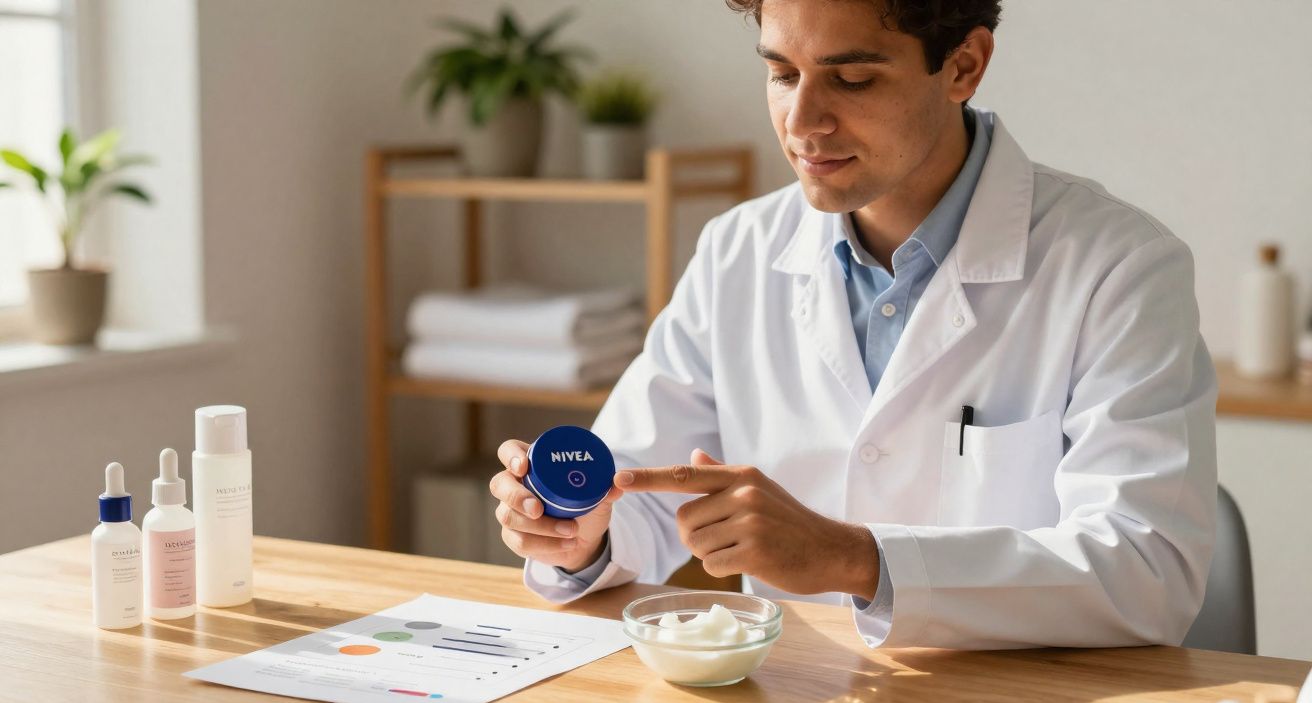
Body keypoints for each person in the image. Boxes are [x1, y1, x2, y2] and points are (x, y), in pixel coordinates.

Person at [487, 0, 1217, 650]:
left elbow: (1146, 573)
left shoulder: (1120, 268)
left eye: (852, 79)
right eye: (781, 73)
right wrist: (580, 536)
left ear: (963, 66)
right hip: (792, 698)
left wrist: (855, 560)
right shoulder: (738, 250)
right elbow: (638, 491)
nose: (802, 122)